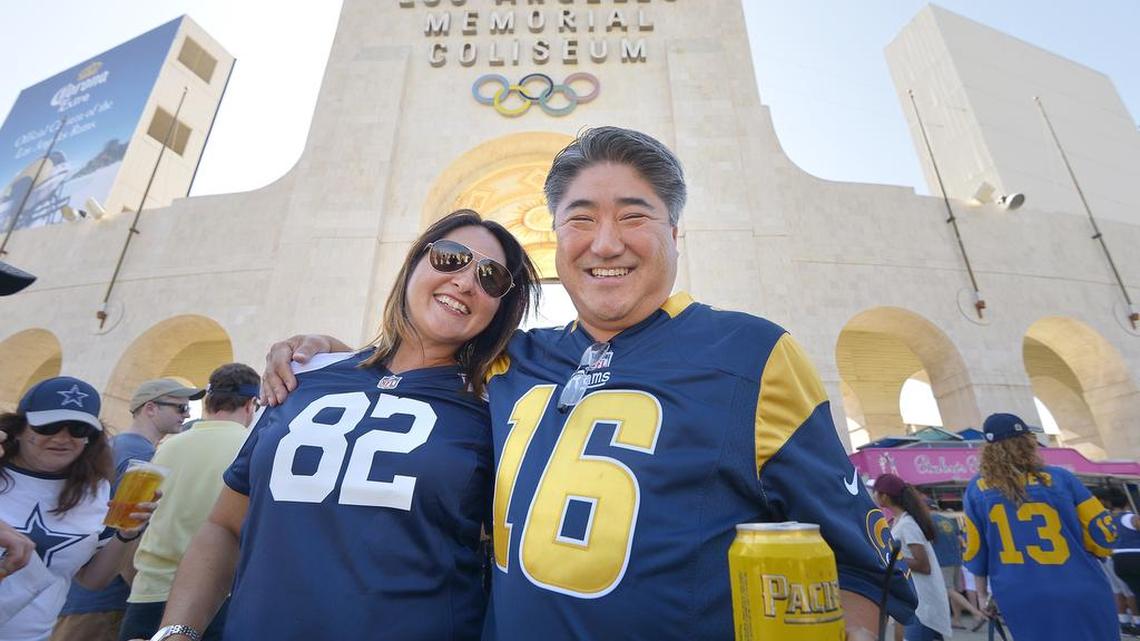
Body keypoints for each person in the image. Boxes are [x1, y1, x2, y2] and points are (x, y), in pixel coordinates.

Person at [262, 127, 917, 640]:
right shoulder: (512, 361)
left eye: (633, 215)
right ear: (556, 239)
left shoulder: (752, 351)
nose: (605, 243)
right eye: (580, 219)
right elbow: (419, 353)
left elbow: (862, 563)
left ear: (674, 232)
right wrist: (328, 355)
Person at [142, 210, 539, 641]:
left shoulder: (497, 410)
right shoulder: (303, 377)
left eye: (490, 277)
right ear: (414, 264)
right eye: (450, 257)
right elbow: (225, 525)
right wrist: (178, 632)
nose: (465, 281)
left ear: (500, 308)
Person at [0, 376, 158, 641]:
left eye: (78, 429)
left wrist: (128, 532)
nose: (63, 438)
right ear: (20, 427)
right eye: (48, 427)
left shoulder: (95, 492)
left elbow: (93, 579)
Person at [118, 364, 261, 641]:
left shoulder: (166, 448)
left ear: (208, 401)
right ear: (251, 404)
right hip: (214, 601)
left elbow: (134, 522)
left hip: (148, 593)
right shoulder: (251, 448)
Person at [53, 380, 204, 641]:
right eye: (180, 408)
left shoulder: (111, 448)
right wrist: (143, 592)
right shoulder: (142, 457)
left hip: (77, 594)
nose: (188, 414)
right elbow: (130, 529)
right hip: (106, 600)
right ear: (150, 408)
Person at [963, 412, 1119, 640]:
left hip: (1020, 594)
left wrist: (982, 594)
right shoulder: (1061, 478)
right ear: (1029, 441)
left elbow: (976, 552)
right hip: (1079, 585)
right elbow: (1104, 534)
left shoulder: (976, 490)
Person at [873, 475, 952, 641]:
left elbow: (923, 565)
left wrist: (890, 560)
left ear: (884, 496)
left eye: (875, 492)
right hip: (917, 603)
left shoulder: (907, 524)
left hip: (923, 605)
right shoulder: (899, 521)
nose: (873, 496)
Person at [929, 502, 987, 630]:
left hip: (942, 560)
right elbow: (960, 540)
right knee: (954, 591)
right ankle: (957, 619)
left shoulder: (928, 521)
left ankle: (976, 613)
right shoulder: (949, 520)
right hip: (956, 559)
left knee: (948, 589)